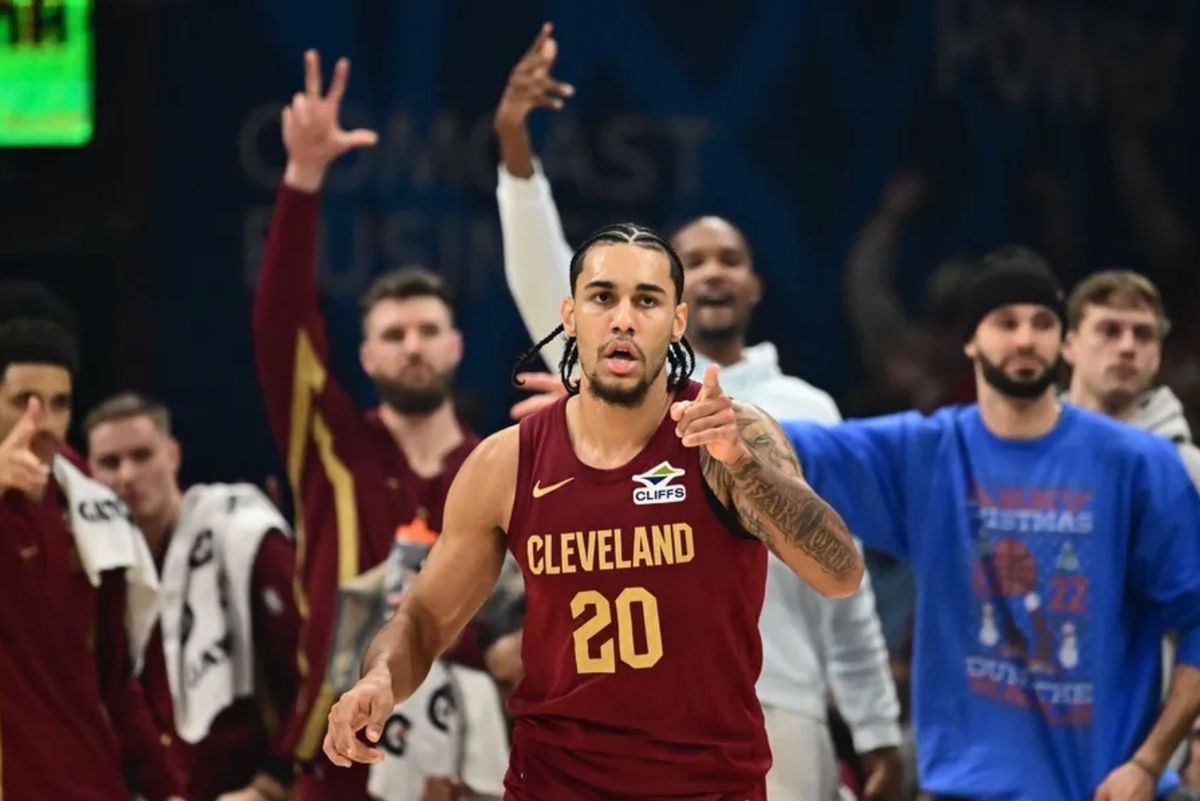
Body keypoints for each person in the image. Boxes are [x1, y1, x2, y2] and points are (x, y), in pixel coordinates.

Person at [493, 24, 903, 800]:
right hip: (627, 719)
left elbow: (839, 566)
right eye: (698, 258)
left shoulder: (803, 407)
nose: (715, 270)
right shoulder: (604, 385)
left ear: (753, 286)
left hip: (782, 698)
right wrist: (513, 140)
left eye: (732, 260)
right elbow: (536, 264)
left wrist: (875, 723)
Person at [323, 221, 865, 801]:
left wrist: (744, 468)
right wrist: (379, 676)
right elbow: (425, 620)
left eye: (648, 300)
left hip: (707, 786)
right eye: (603, 297)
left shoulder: (730, 433)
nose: (623, 319)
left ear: (677, 321)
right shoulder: (507, 462)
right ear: (571, 314)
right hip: (554, 784)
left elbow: (840, 575)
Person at [784, 246, 1200, 801]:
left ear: (1062, 340)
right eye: (1006, 322)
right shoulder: (928, 452)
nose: (1025, 338)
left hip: (1105, 789)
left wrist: (1149, 764)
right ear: (971, 341)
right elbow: (788, 442)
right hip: (966, 788)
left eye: (1041, 322)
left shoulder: (1141, 464)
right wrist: (696, 411)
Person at [253, 50, 519, 801]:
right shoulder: (329, 445)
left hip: (472, 772)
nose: (412, 345)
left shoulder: (500, 464)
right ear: (364, 353)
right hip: (337, 761)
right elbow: (280, 329)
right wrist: (302, 180)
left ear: (456, 345)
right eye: (393, 334)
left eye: (428, 330)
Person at [0, 295, 186, 801]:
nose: (45, 423)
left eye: (60, 403)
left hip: (92, 782)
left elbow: (115, 677)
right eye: (24, 401)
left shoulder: (89, 506)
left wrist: (165, 786)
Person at [84, 392, 301, 801]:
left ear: (173, 455)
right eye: (109, 463)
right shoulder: (94, 572)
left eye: (142, 455)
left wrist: (272, 784)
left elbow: (310, 672)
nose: (127, 476)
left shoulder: (245, 537)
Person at [1062, 269, 1200, 488]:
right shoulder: (1025, 451)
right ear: (1070, 345)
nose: (1127, 347)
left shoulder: (1189, 473)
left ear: (1157, 355)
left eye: (1143, 334)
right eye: (1110, 331)